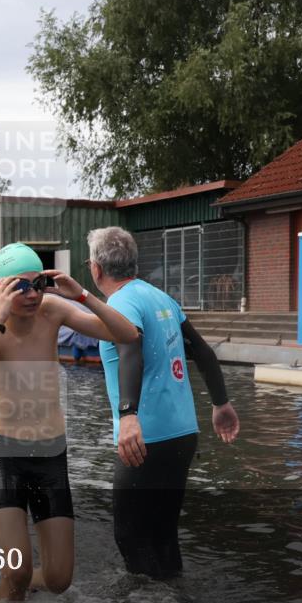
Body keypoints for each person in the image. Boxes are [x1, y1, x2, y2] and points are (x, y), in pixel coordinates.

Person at [0, 242, 138, 603]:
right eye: (20, 286)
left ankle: (16, 589)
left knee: (59, 579)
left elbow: (127, 335)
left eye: (38, 284)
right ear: (0, 289)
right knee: (18, 568)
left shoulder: (54, 310)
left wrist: (83, 296)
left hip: (50, 456)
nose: (32, 294)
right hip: (7, 456)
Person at [86, 227, 240, 580]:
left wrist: (128, 415)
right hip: (182, 434)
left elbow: (131, 349)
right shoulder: (161, 298)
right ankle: (176, 600)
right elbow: (202, 351)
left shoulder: (120, 304)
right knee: (163, 534)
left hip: (145, 437)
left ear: (96, 268)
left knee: (130, 536)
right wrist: (221, 403)